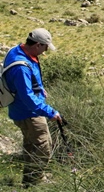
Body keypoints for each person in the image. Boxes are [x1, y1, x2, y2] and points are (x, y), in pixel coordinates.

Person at [2, 28, 61, 186]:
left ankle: (29, 180)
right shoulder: (21, 67)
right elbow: (27, 97)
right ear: (37, 45)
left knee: (31, 146)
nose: (46, 50)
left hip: (21, 110)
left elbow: (26, 84)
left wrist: (39, 88)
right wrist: (50, 112)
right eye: (45, 47)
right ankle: (35, 182)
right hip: (29, 113)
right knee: (43, 147)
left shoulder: (17, 51)